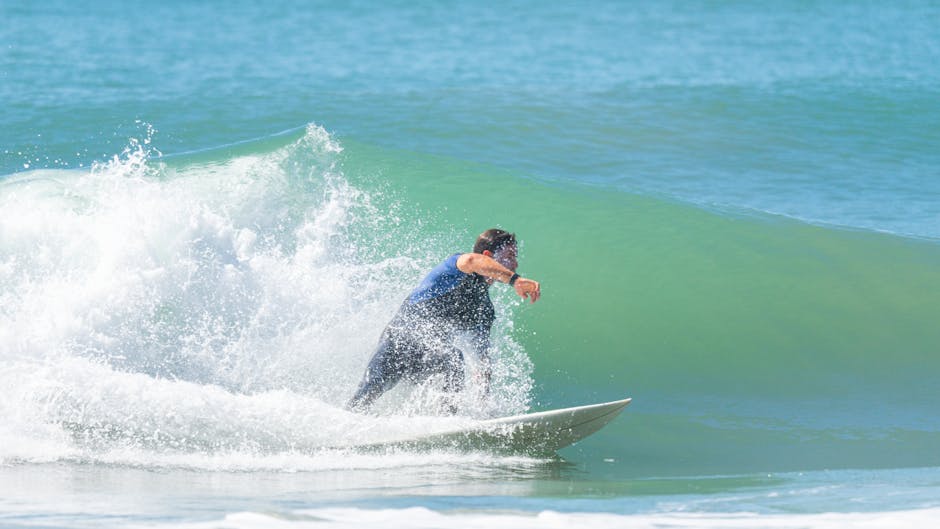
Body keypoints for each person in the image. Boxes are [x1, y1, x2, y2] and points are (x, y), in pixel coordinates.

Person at [348, 228, 541, 412]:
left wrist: (484, 404)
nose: (515, 264)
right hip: (398, 342)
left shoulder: (484, 309)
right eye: (509, 256)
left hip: (427, 358)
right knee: (363, 399)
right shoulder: (456, 268)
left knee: (452, 360)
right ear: (488, 256)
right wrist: (515, 280)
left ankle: (447, 421)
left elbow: (482, 362)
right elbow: (472, 260)